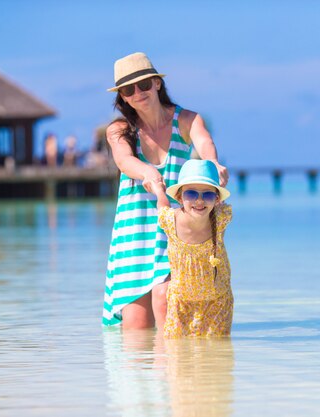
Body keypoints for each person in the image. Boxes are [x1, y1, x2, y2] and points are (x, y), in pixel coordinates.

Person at [102, 52, 229, 329]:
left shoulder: (187, 120)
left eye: (144, 84)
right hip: (133, 233)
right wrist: (147, 172)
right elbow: (124, 161)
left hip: (176, 231)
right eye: (128, 89)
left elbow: (204, 144)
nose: (138, 93)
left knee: (171, 315)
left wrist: (213, 165)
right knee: (137, 335)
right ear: (122, 96)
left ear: (157, 83)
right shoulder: (119, 129)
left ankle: (180, 370)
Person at [153, 159, 233, 338]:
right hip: (181, 303)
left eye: (208, 195)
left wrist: (220, 180)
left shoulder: (221, 218)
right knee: (178, 356)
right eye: (191, 193)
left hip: (217, 301)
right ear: (180, 197)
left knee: (215, 357)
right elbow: (162, 206)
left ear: (217, 199)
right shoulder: (170, 220)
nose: (199, 200)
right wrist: (159, 191)